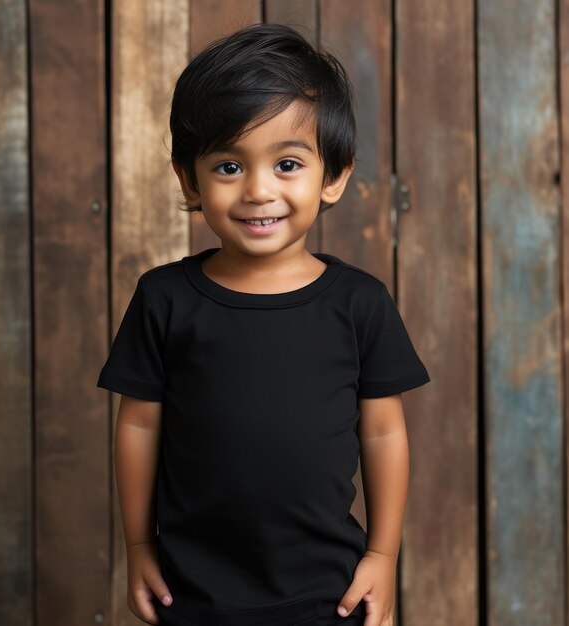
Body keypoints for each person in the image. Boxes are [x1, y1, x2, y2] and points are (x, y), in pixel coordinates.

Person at [97, 23, 431, 626]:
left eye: (286, 163)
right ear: (187, 178)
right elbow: (139, 426)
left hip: (327, 591)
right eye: (228, 165)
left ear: (333, 176)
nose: (257, 190)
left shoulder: (360, 303)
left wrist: (382, 553)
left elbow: (383, 434)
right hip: (191, 588)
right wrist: (139, 546)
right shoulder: (163, 298)